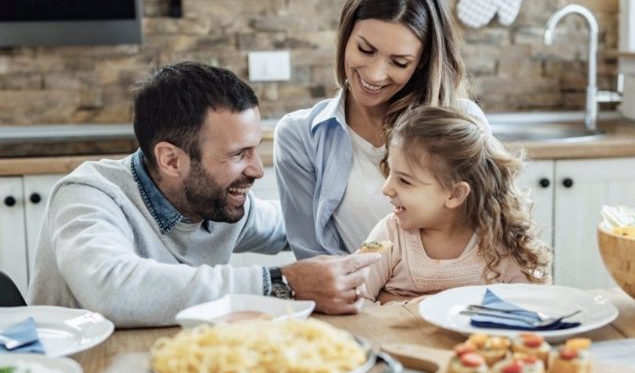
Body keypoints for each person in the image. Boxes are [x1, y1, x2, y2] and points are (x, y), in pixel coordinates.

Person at [28, 62, 379, 327]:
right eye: (238, 154)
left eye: (256, 149)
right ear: (170, 159)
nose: (257, 170)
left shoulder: (219, 204)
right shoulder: (88, 196)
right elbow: (111, 289)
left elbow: (307, 225)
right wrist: (281, 282)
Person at [274, 0, 488, 260]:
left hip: (449, 300)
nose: (375, 75)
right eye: (365, 49)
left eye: (399, 62)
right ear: (345, 35)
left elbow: (496, 228)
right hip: (358, 302)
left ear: (423, 62)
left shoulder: (465, 123)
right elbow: (315, 261)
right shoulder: (300, 136)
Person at [357, 106, 550, 307]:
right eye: (390, 172)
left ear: (455, 194)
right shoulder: (390, 234)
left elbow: (531, 304)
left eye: (405, 181)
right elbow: (356, 298)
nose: (386, 188)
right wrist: (409, 306)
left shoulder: (496, 240)